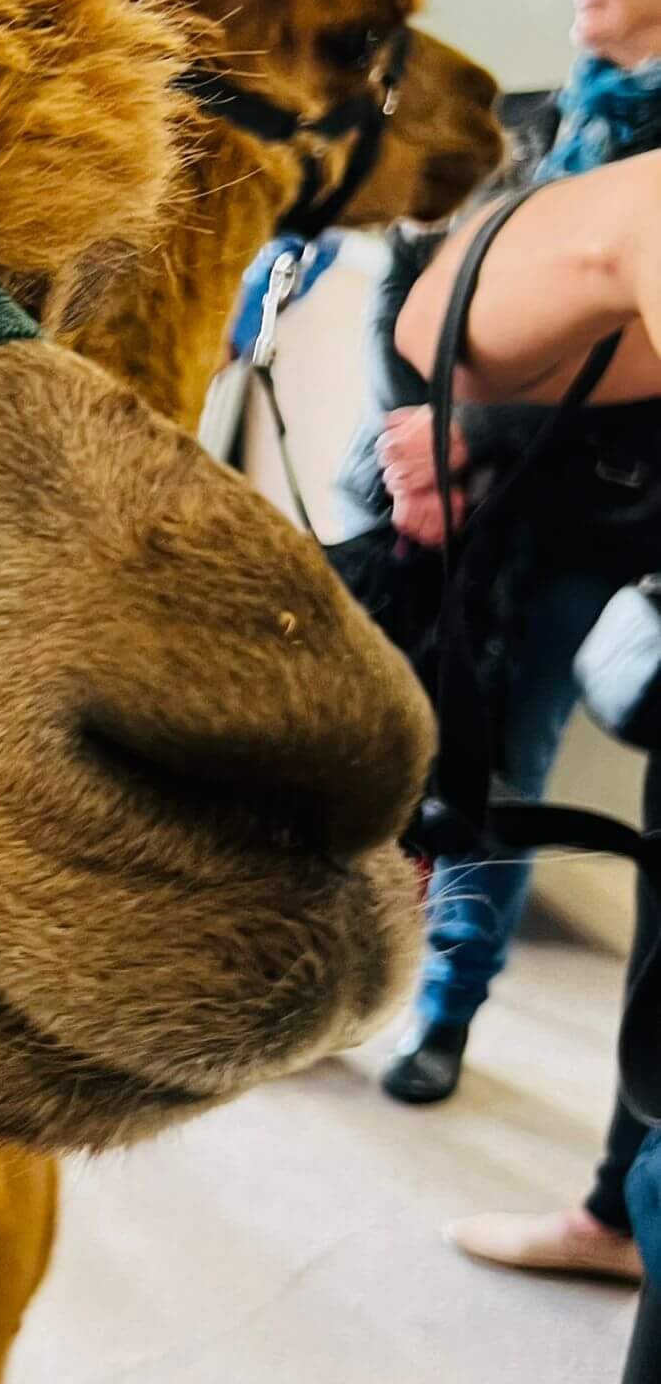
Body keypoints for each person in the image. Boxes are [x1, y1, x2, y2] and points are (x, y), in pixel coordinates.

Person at [370, 0, 661, 1121]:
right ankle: (351, 965)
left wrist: (478, 432)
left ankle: (446, 1011)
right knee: (386, 741)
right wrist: (414, 431)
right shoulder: (530, 123)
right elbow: (416, 282)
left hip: (582, 524)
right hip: (426, 507)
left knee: (502, 764)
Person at [392, 141, 661, 1364]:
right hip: (509, 544)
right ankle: (615, 1201)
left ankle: (447, 1005)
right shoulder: (585, 145)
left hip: (569, 561)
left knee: (509, 769)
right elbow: (438, 316)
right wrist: (456, 441)